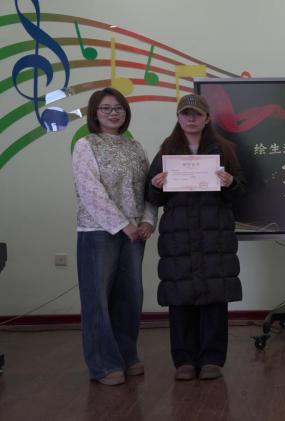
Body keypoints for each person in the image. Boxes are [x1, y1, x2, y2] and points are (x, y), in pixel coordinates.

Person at [146, 94, 244, 381]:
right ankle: (184, 361)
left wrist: (230, 183)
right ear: (178, 118)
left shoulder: (224, 150)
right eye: (186, 114)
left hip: (216, 236)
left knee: (215, 299)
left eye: (197, 114)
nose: (191, 119)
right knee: (180, 300)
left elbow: (240, 191)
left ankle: (212, 359)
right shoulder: (166, 152)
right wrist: (156, 186)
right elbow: (152, 197)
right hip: (179, 238)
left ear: (207, 118)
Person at [72, 87, 157, 386]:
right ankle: (103, 364)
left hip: (134, 234)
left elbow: (149, 188)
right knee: (98, 299)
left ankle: (126, 355)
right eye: (106, 108)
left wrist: (148, 220)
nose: (113, 113)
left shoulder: (135, 147)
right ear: (95, 113)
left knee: (130, 297)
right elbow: (90, 191)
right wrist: (122, 224)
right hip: (98, 231)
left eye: (118, 108)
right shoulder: (86, 145)